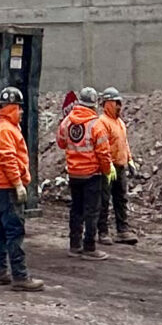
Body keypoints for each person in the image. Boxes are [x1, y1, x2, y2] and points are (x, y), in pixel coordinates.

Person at [0, 86, 43, 291]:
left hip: (3, 187)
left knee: (2, 230)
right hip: (8, 187)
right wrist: (18, 184)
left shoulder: (6, 128)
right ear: (11, 108)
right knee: (14, 230)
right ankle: (20, 276)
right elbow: (8, 159)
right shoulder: (6, 131)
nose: (21, 111)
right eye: (19, 108)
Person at [56, 85, 115, 258]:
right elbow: (103, 153)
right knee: (92, 211)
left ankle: (74, 245)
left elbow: (61, 143)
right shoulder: (96, 124)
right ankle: (89, 247)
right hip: (92, 175)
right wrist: (106, 170)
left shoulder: (67, 121)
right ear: (94, 104)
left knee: (76, 209)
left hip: (74, 174)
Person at [95, 88, 138, 245]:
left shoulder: (119, 123)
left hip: (120, 167)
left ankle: (122, 230)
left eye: (120, 103)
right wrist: (108, 166)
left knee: (121, 199)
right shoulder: (102, 123)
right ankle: (103, 231)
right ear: (108, 104)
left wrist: (130, 160)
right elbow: (102, 147)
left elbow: (124, 143)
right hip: (107, 168)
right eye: (116, 103)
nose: (119, 106)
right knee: (104, 200)